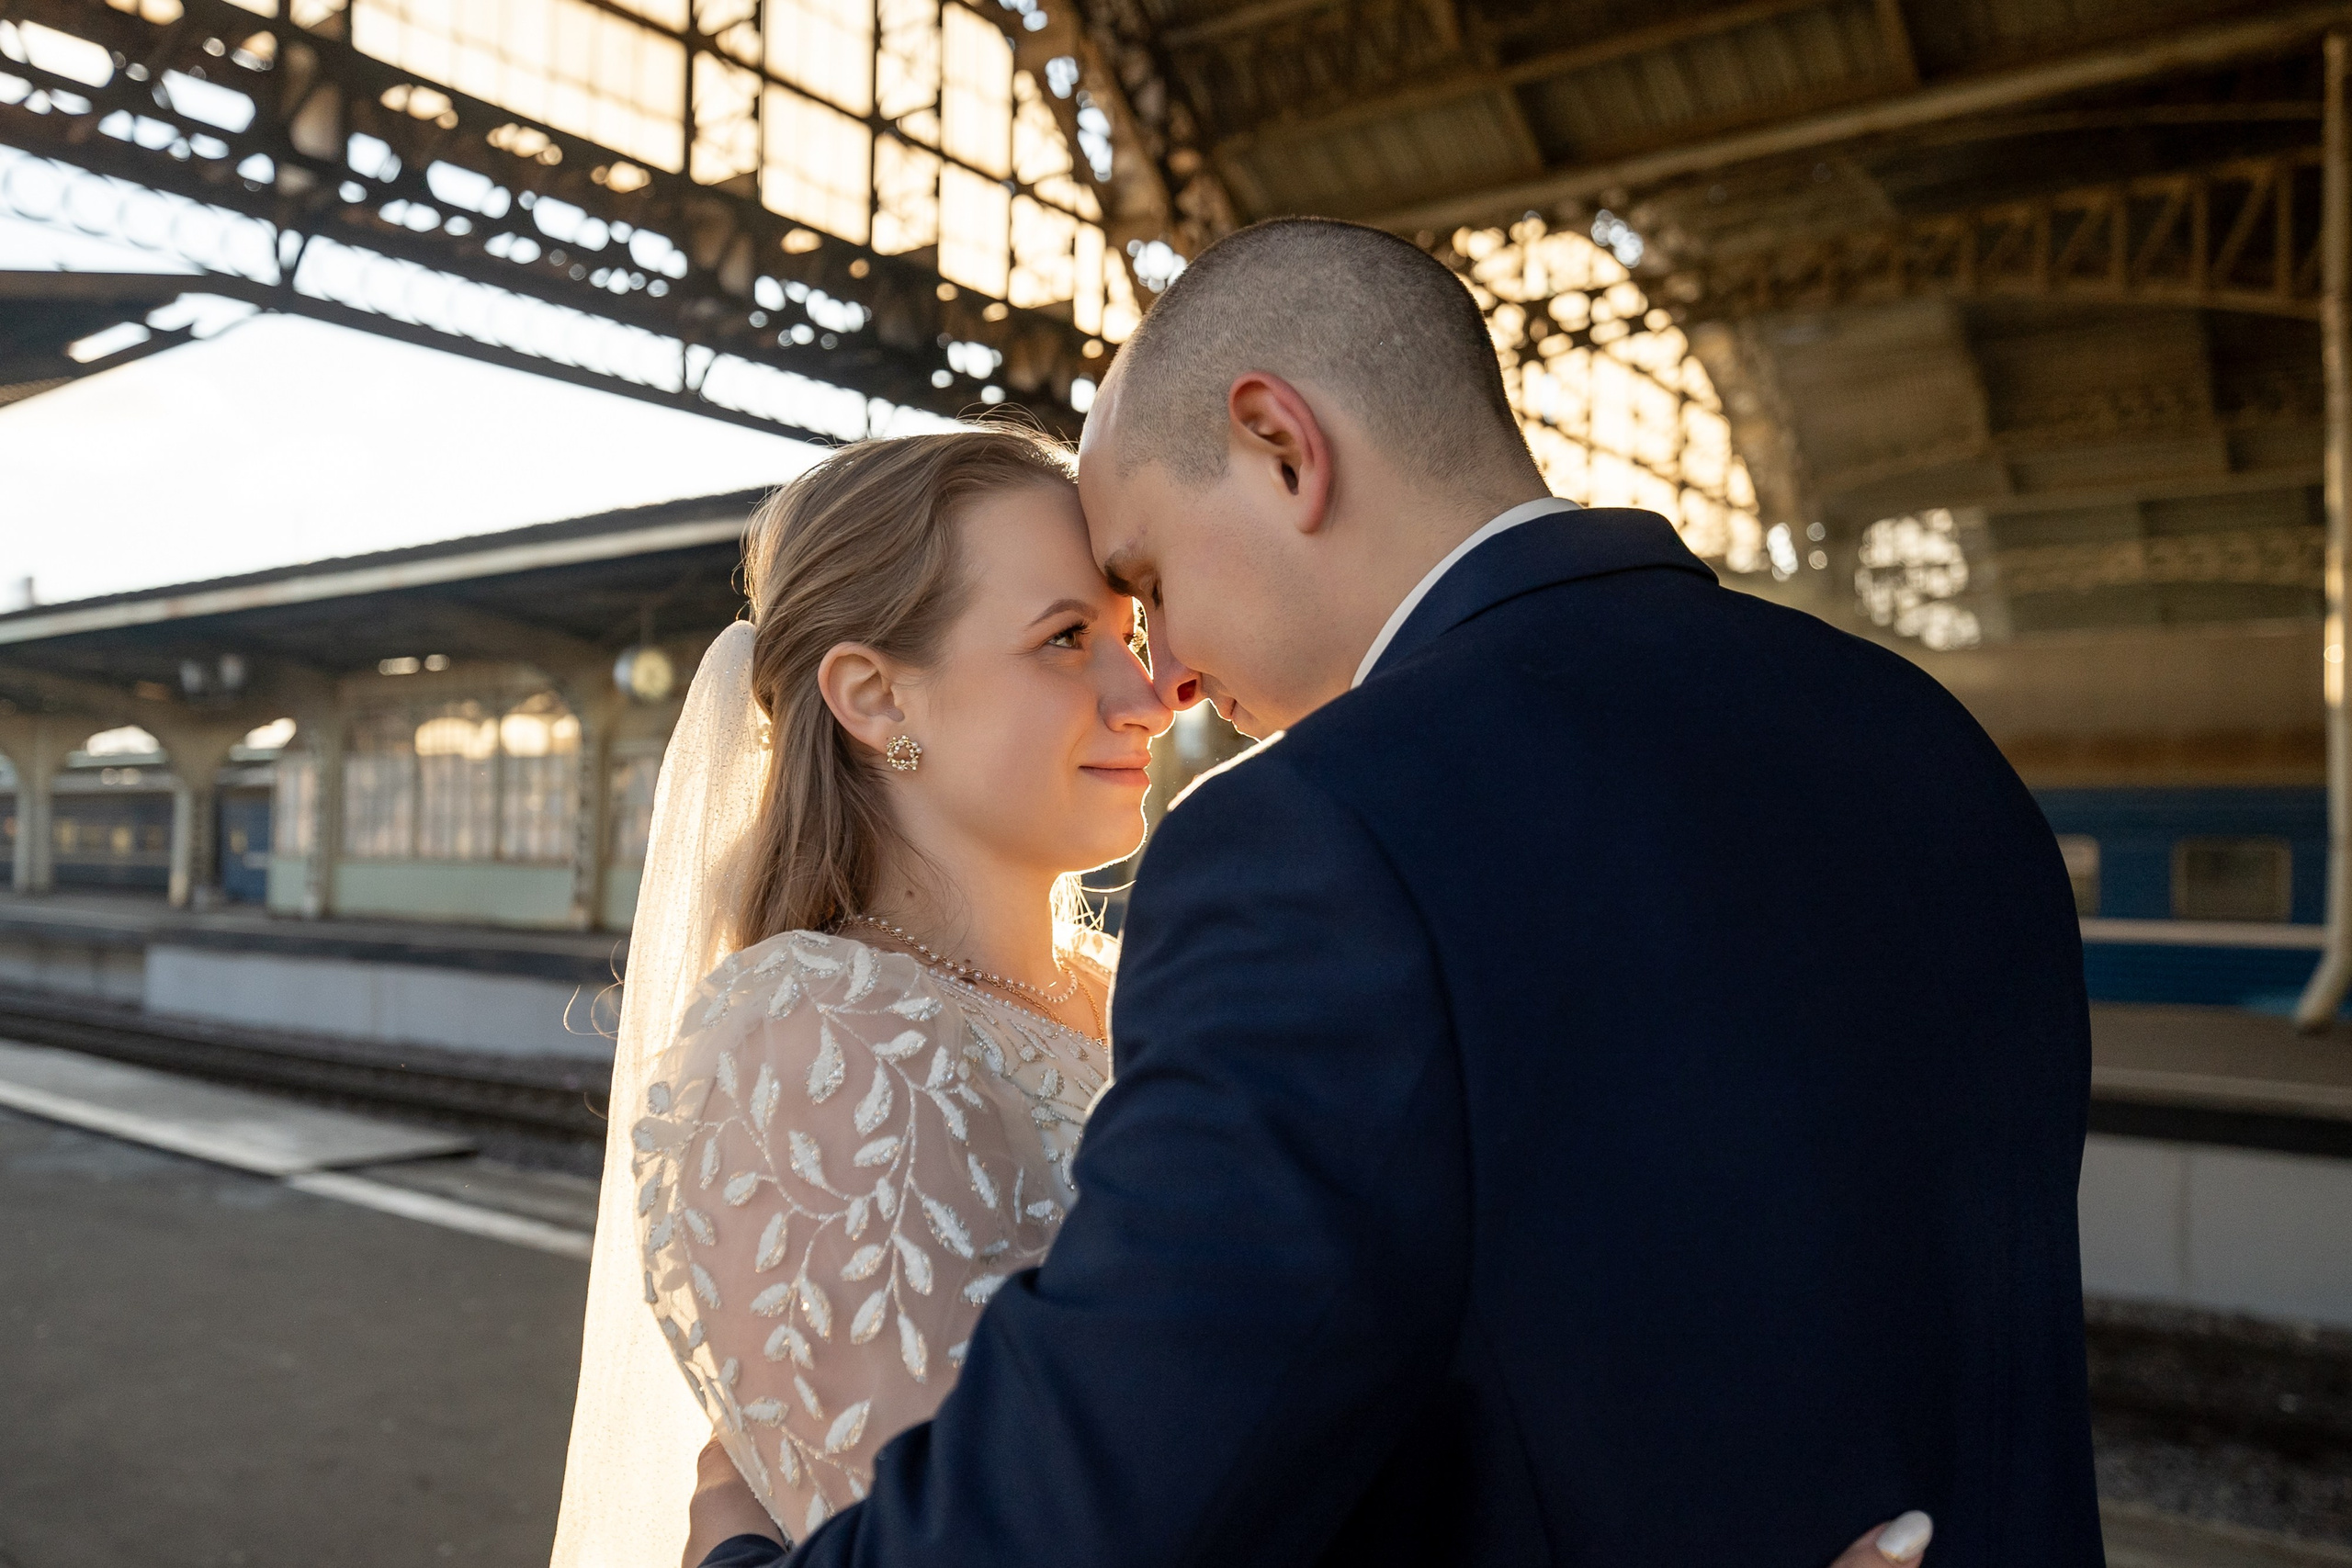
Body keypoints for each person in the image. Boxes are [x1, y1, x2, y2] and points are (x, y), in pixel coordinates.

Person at [554, 214, 2101, 1564]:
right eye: (1076, 631)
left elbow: (1154, 1497)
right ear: (870, 700)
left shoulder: (1329, 836)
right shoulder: (1927, 748)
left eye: (1142, 585)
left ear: (1284, 448)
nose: (1161, 681)